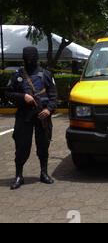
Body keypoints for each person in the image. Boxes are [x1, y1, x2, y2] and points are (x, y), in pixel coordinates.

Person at [5, 47, 58, 190]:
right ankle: (19, 176)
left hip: (42, 116)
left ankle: (44, 173)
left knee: (43, 145)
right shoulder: (17, 75)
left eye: (32, 58)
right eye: (27, 58)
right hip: (24, 116)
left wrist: (48, 110)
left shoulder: (46, 74)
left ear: (36, 58)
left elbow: (54, 96)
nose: (29, 61)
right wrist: (23, 97)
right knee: (22, 147)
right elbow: (8, 93)